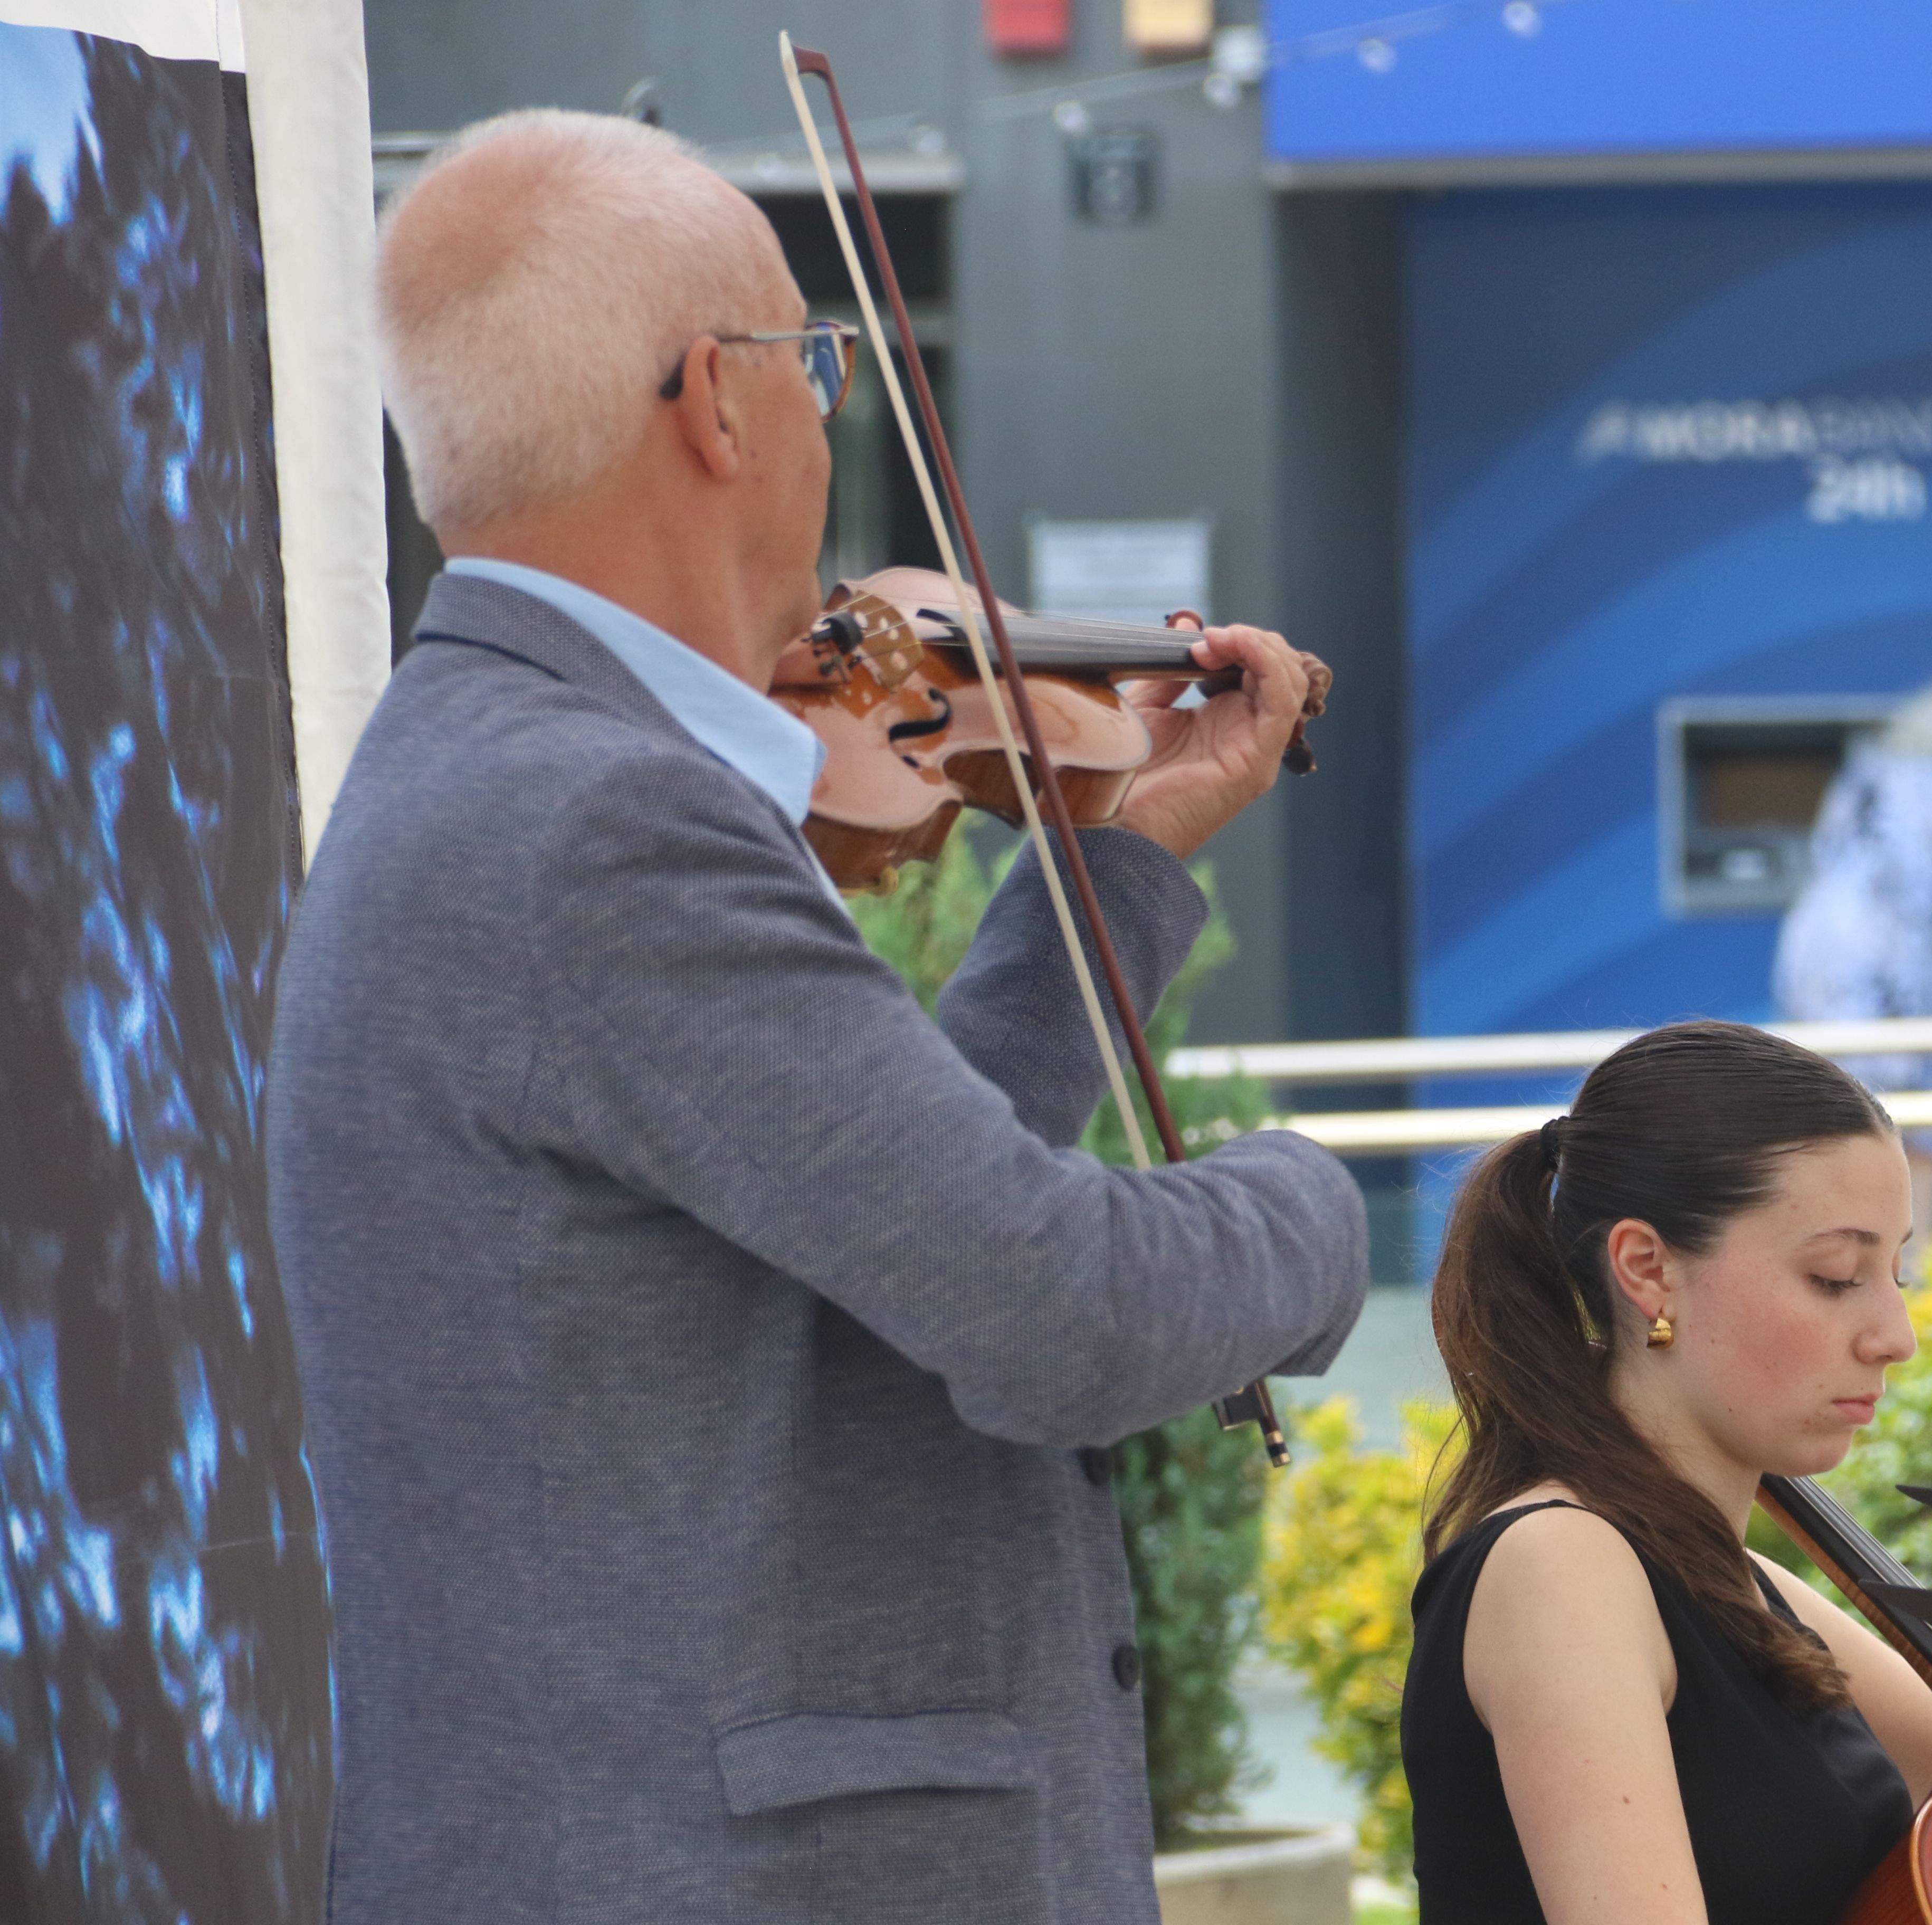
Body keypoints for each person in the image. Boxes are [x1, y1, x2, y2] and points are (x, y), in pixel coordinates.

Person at [267, 111, 1368, 1922]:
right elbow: (1056, 1308)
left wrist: (1123, 857)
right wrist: (1314, 1200)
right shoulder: (604, 822)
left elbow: (897, 1223)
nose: (830, 412)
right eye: (819, 361)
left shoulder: (494, 764)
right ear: (718, 398)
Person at [1402, 1022, 1932, 1925]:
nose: (1895, 1336)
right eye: (1836, 1276)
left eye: (1896, 1273)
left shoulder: (1725, 1575)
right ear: (1648, 1270)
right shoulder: (1561, 1565)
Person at [1772, 679, 1932, 1247]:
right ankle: (1910, 1266)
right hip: (1890, 968)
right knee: (1920, 1124)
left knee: (1832, 1108)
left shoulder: (1864, 773)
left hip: (1811, 949)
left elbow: (1824, 852)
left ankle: (1829, 1255)